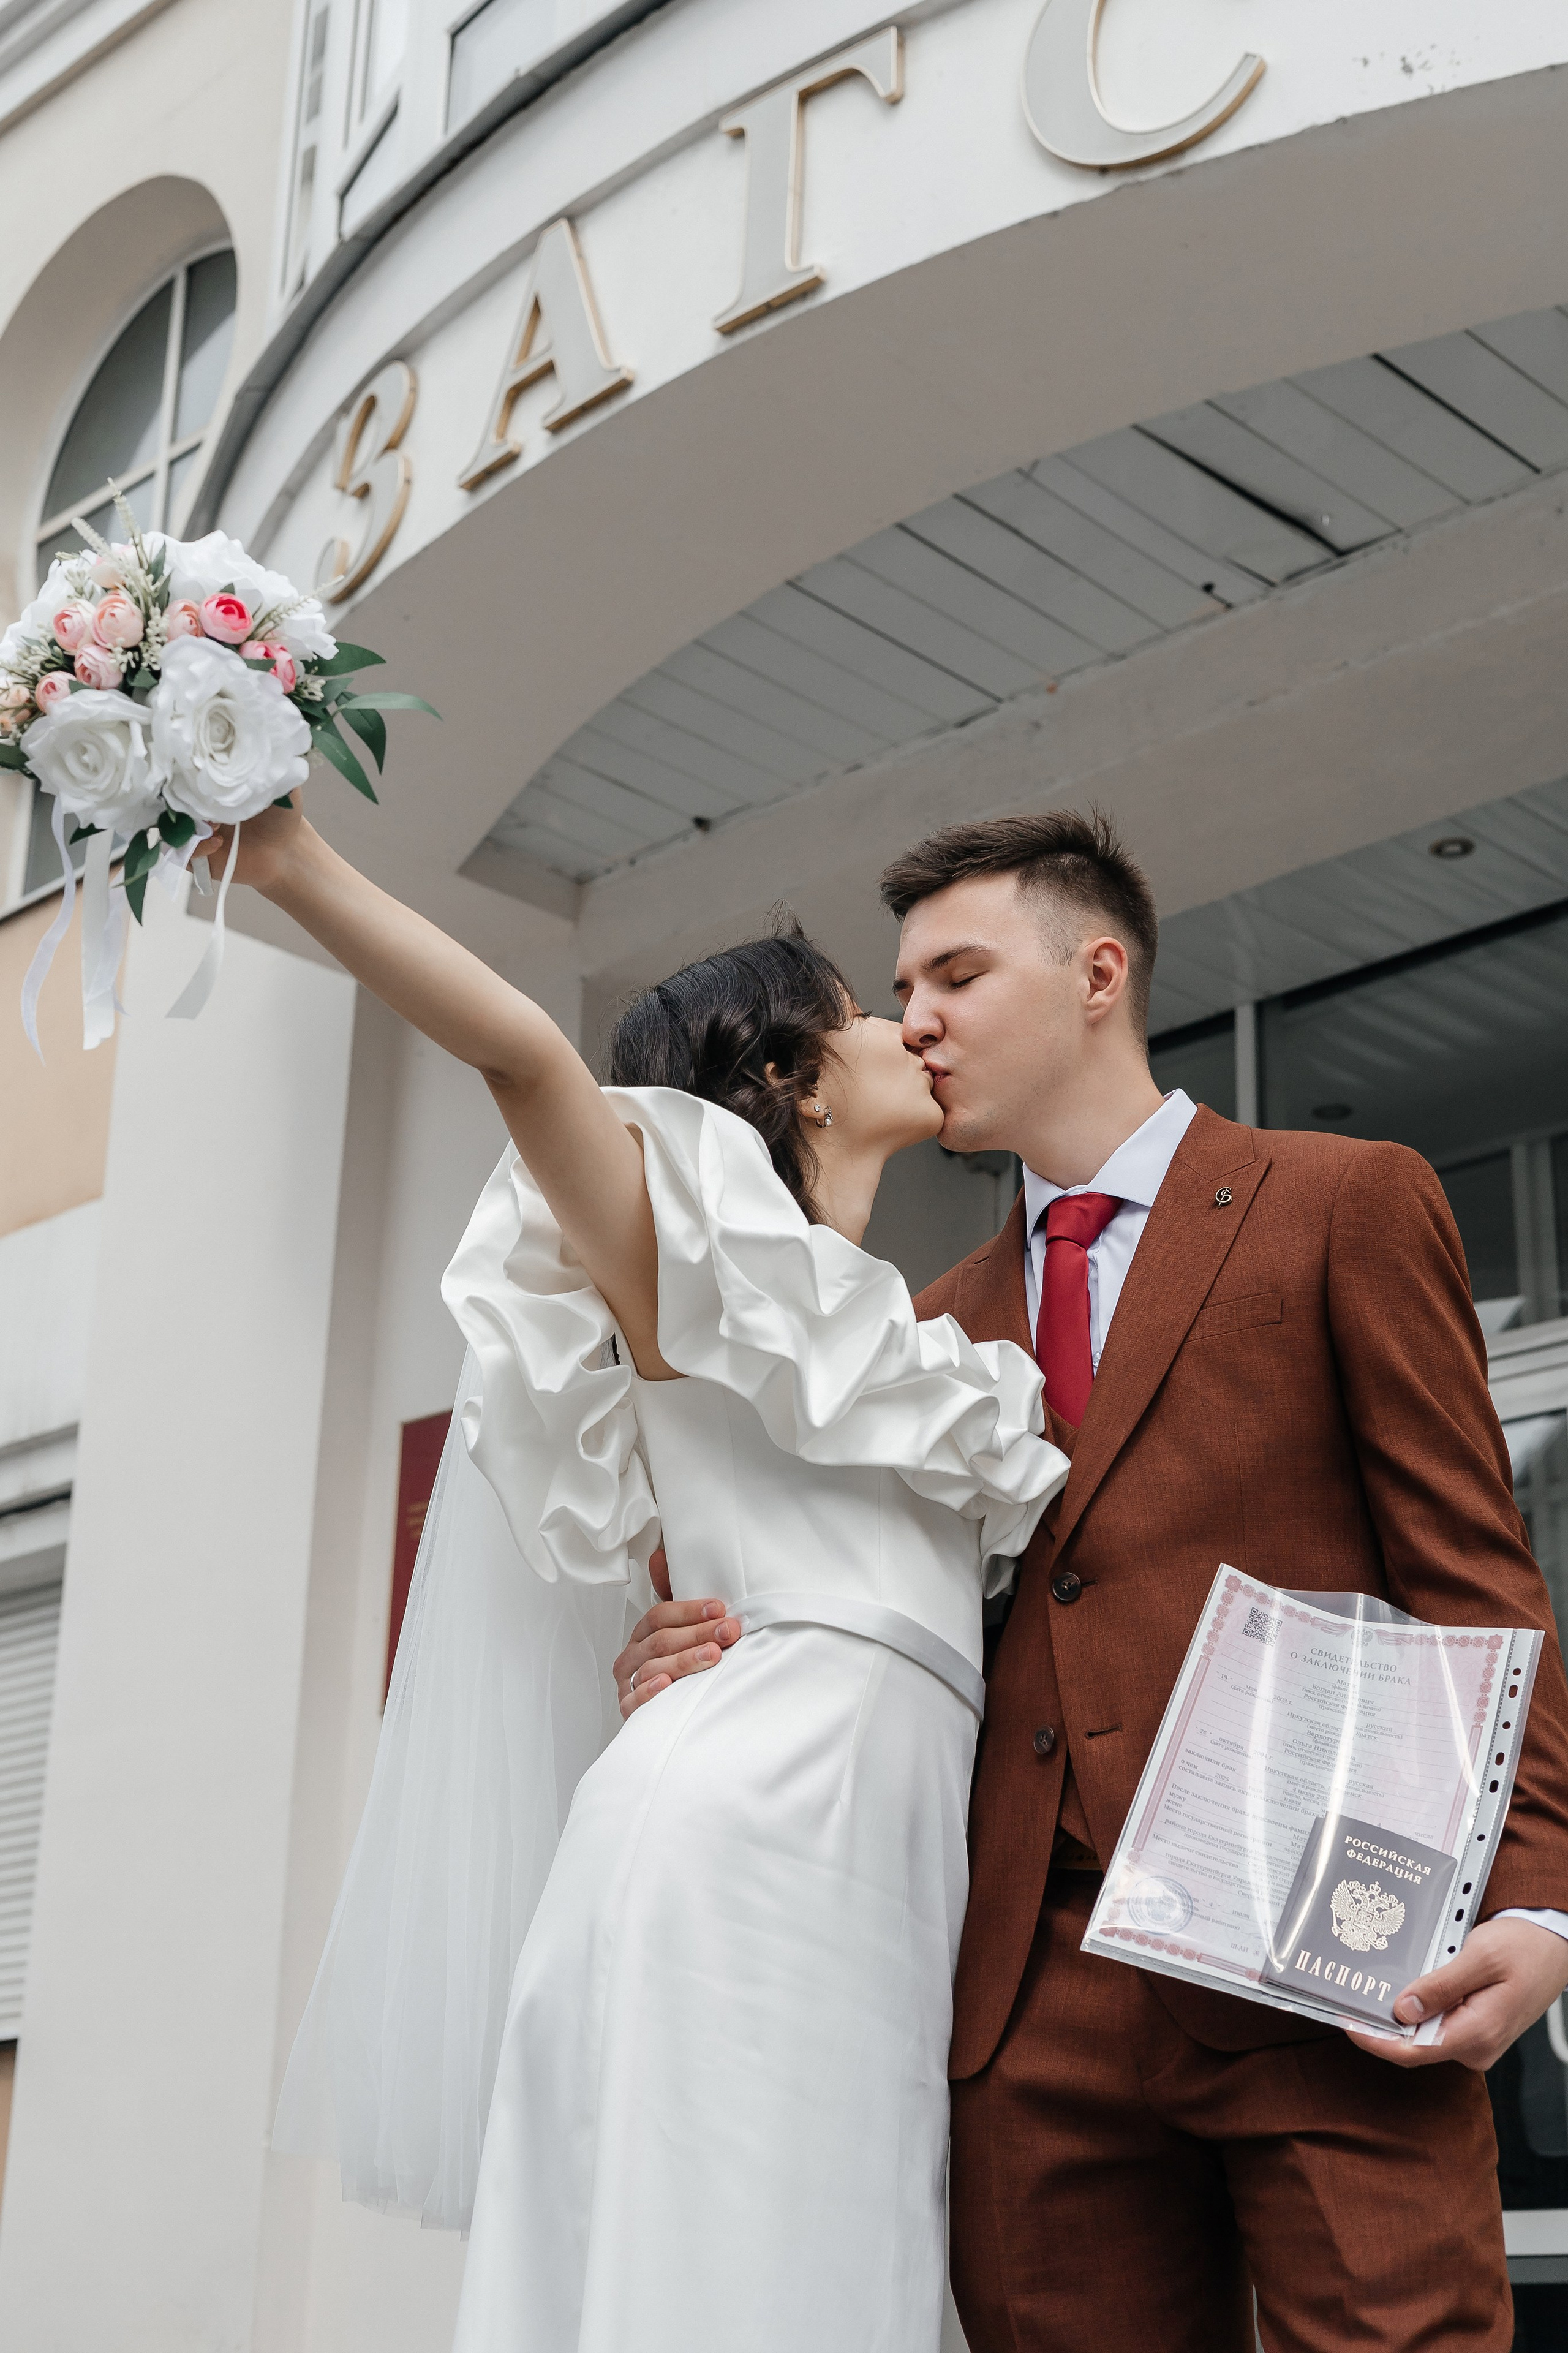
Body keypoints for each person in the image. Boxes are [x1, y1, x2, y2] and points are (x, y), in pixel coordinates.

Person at [619, 810, 1568, 2353]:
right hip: (1020, 2004)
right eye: (900, 987)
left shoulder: (1339, 1198)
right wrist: (697, 1642)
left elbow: (1472, 1573)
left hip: (1319, 1961)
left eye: (955, 972)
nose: (910, 1018)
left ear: (1096, 974)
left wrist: (1533, 1891)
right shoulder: (919, 1330)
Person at [221, 795, 1070, 2352]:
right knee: (721, 2279)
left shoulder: (915, 1337)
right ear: (786, 1077)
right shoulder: (684, 1257)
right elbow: (525, 1062)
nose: (909, 1030)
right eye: (873, 1013)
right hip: (740, 1842)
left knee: (837, 2277)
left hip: (875, 1862)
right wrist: (286, 862)